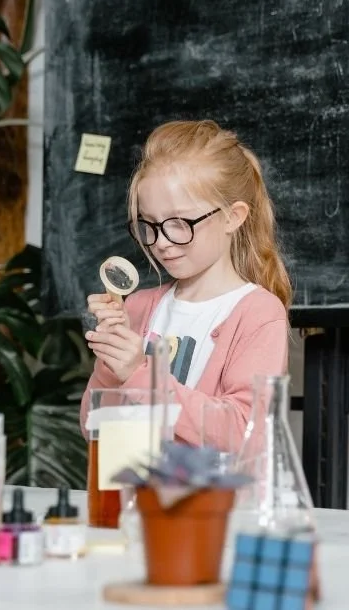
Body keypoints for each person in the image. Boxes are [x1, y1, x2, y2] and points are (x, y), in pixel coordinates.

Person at [79, 120, 291, 452]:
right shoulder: (136, 307)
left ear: (232, 217)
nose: (161, 242)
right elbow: (96, 433)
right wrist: (110, 364)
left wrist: (139, 374)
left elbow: (244, 433)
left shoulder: (258, 314)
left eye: (179, 223)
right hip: (136, 499)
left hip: (211, 503)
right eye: (148, 225)